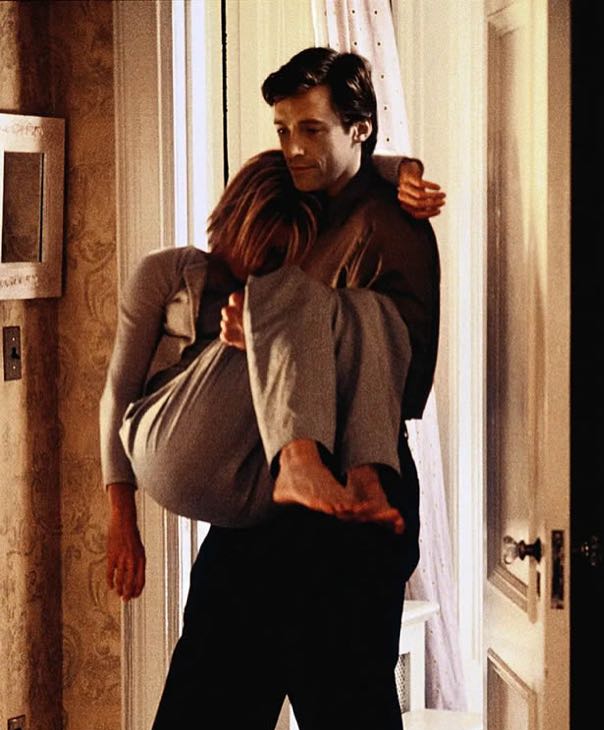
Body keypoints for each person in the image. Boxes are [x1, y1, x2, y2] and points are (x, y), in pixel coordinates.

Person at [112, 48, 441, 730]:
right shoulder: (301, 197)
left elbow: (408, 376)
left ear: (358, 129)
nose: (294, 148)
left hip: (349, 513)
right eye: (284, 129)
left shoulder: (393, 222)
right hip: (262, 512)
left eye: (312, 130)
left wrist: (282, 324)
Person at [102, 150, 411, 544]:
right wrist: (122, 521)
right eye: (267, 248)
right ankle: (299, 462)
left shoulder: (287, 304)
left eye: (280, 255)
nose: (265, 264)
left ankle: (365, 476)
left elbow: (343, 165)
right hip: (167, 445)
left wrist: (401, 171)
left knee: (369, 308)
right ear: (238, 216)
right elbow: (119, 390)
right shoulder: (166, 271)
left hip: (247, 482)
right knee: (291, 295)